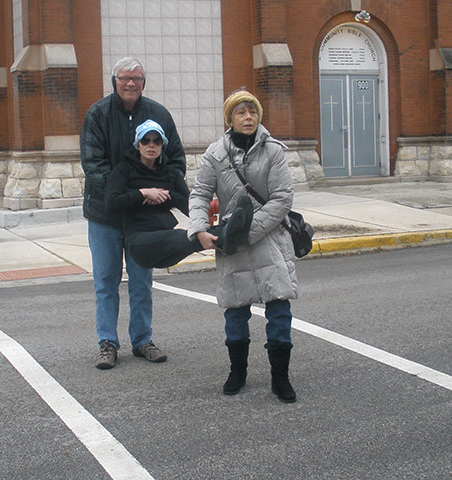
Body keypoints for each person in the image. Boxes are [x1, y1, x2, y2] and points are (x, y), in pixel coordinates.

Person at [188, 90, 299, 403]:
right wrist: (198, 229)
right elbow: (198, 195)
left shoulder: (274, 151)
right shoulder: (215, 154)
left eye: (252, 111)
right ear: (230, 119)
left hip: (270, 241)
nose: (248, 117)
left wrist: (245, 231)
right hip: (230, 244)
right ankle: (237, 371)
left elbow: (282, 199)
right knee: (235, 314)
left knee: (279, 309)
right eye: (241, 112)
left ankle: (281, 377)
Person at [80, 57, 185, 370]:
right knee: (106, 282)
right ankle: (107, 344)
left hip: (146, 219)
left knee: (142, 281)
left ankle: (142, 340)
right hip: (105, 216)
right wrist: (130, 193)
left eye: (137, 79)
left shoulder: (158, 115)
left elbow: (176, 161)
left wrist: (163, 193)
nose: (130, 84)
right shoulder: (98, 115)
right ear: (114, 81)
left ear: (143, 82)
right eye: (124, 78)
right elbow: (93, 165)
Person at [105, 119, 253, 269]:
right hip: (140, 243)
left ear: (162, 145)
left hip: (168, 246)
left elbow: (189, 205)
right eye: (145, 140)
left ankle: (232, 233)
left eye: (156, 141)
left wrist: (168, 196)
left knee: (195, 237)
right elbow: (111, 204)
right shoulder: (124, 170)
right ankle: (226, 235)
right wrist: (142, 193)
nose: (151, 145)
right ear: (138, 144)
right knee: (187, 236)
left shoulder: (170, 173)